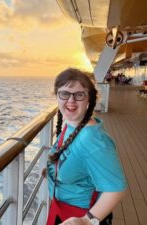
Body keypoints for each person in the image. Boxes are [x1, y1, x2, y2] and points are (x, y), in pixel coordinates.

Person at [46, 68, 127, 225]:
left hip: (78, 215)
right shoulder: (71, 125)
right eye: (64, 94)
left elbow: (116, 188)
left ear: (89, 99)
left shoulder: (94, 140)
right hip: (60, 211)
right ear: (57, 96)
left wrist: (87, 220)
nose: (71, 101)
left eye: (79, 95)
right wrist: (52, 170)